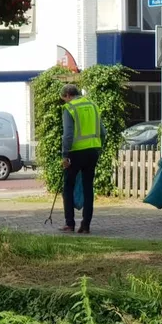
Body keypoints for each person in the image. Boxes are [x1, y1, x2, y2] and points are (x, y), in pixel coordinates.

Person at [60, 84, 106, 234]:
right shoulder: (93, 106)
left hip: (75, 152)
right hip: (92, 151)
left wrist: (65, 155)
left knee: (68, 186)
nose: (65, 101)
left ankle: (70, 223)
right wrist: (98, 148)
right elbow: (103, 132)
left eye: (64, 99)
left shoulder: (70, 108)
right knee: (88, 187)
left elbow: (68, 135)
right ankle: (86, 225)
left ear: (68, 95)